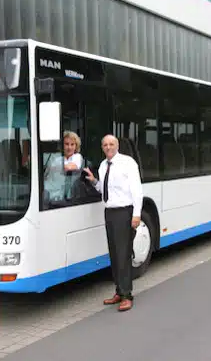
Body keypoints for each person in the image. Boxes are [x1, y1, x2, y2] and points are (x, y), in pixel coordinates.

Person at [84, 134, 143, 312]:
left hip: (124, 212)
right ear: (102, 148)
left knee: (123, 254)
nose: (108, 147)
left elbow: (137, 190)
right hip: (109, 212)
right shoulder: (103, 165)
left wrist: (137, 214)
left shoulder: (128, 163)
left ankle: (127, 295)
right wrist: (94, 181)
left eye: (111, 144)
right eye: (105, 145)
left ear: (117, 146)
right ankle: (119, 290)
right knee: (114, 253)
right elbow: (105, 188)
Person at [44, 131, 84, 201]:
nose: (69, 147)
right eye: (66, 144)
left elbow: (70, 167)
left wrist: (55, 168)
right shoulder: (57, 158)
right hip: (49, 191)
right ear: (62, 145)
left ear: (76, 146)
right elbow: (47, 175)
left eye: (72, 144)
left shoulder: (77, 157)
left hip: (67, 196)